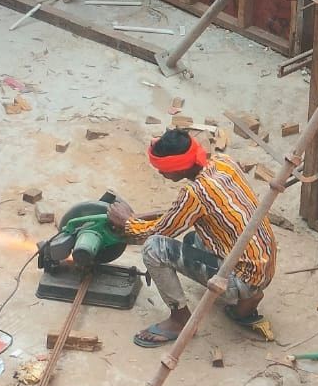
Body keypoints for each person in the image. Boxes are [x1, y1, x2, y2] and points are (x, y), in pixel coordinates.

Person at [107, 128, 277, 347]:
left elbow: (158, 232)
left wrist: (127, 223)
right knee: (192, 240)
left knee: (154, 248)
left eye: (162, 169)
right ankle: (246, 304)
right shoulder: (223, 162)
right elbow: (178, 217)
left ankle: (180, 320)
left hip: (240, 277)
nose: (160, 173)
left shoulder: (195, 193)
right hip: (264, 266)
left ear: (176, 168)